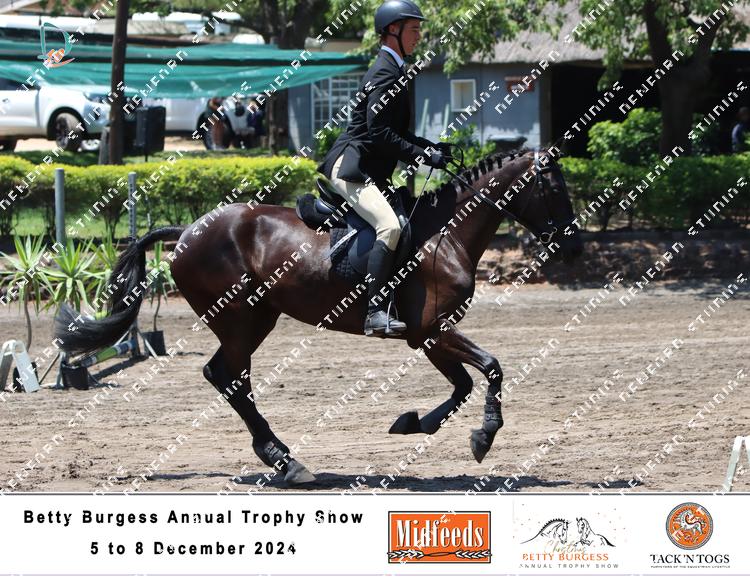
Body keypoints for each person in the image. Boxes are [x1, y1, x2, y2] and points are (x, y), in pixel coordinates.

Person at [317, 0, 449, 338]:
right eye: (414, 29)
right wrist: (422, 156)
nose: (419, 36)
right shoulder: (385, 72)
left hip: (370, 170)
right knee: (389, 227)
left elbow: (397, 133)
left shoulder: (396, 70)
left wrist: (431, 149)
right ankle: (375, 312)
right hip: (351, 167)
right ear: (393, 30)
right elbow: (379, 133)